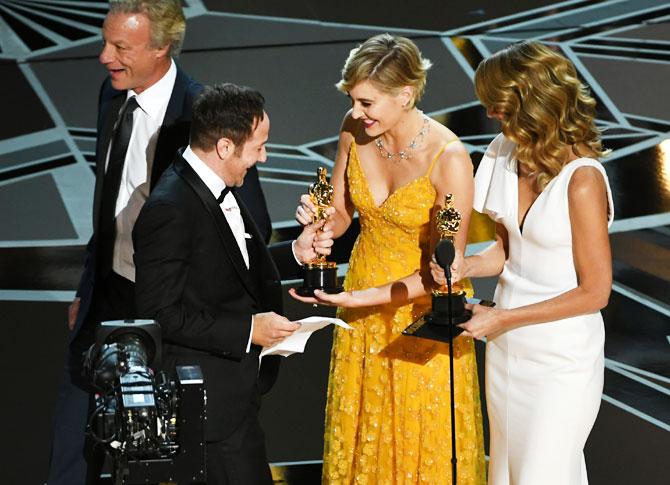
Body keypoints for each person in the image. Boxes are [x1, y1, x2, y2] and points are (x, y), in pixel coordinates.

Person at [47, 1, 271, 483]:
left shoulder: (202, 115)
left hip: (169, 311)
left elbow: (247, 225)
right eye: (105, 42)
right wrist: (88, 284)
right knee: (71, 443)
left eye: (120, 47)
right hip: (108, 293)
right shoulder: (113, 96)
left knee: (152, 453)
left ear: (162, 47)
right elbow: (109, 202)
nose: (105, 56)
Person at [291, 34, 486, 483]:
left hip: (418, 315)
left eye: (366, 102)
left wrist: (365, 298)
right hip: (361, 313)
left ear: (405, 94)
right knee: (363, 440)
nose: (357, 112)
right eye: (353, 100)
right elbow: (339, 211)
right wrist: (314, 230)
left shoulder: (450, 157)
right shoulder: (353, 129)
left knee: (417, 446)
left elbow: (447, 272)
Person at [432, 41, 614, 484]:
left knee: (543, 474)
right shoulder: (503, 152)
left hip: (560, 361)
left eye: (498, 105)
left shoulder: (583, 180)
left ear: (532, 102)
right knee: (509, 475)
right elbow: (505, 253)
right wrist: (462, 266)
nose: (491, 114)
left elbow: (596, 292)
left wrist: (505, 318)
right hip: (508, 353)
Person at [133, 83, 327, 485]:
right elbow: (159, 313)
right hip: (206, 406)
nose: (263, 157)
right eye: (258, 147)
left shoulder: (214, 184)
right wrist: (249, 330)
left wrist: (295, 252)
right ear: (224, 147)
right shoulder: (170, 208)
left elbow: (231, 266)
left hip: (234, 396)